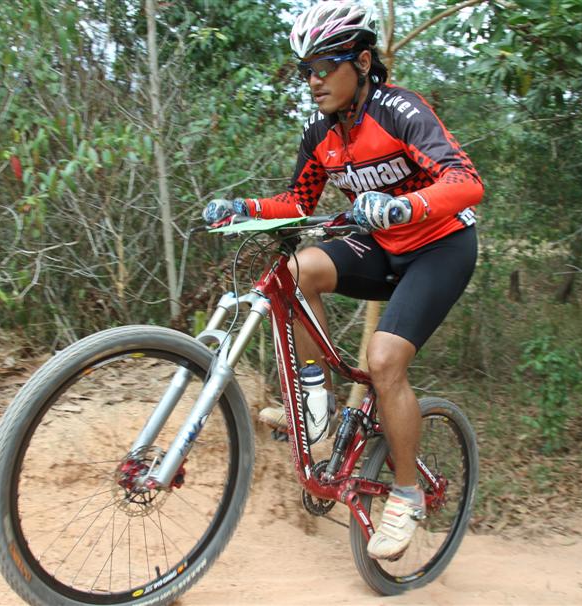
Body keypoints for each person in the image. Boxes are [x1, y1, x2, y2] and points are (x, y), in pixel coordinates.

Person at [202, 0, 482, 560]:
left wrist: (406, 207)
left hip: (440, 247)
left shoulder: (400, 111)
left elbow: (466, 181)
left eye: (325, 66)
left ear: (362, 62)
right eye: (306, 69)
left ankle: (407, 495)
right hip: (382, 246)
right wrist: (243, 206)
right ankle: (316, 405)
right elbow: (296, 202)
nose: (313, 80)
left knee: (383, 361)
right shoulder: (320, 132)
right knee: (297, 269)